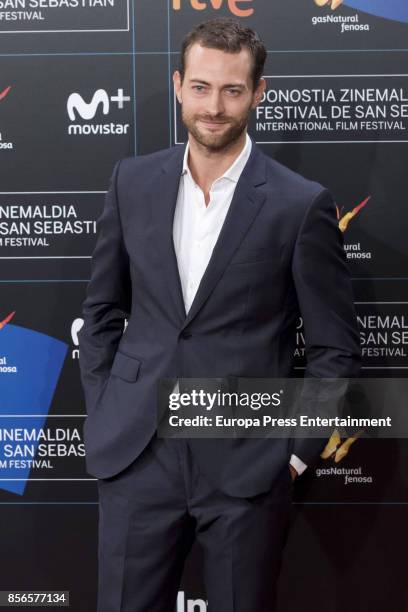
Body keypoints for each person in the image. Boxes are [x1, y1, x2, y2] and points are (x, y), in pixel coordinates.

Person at [78, 18, 361, 612]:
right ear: (179, 85)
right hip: (136, 453)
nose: (214, 106)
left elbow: (335, 348)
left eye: (232, 90)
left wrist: (292, 455)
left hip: (247, 464)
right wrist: (106, 404)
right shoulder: (131, 182)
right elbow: (101, 311)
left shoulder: (299, 203)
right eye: (202, 87)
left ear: (258, 93)